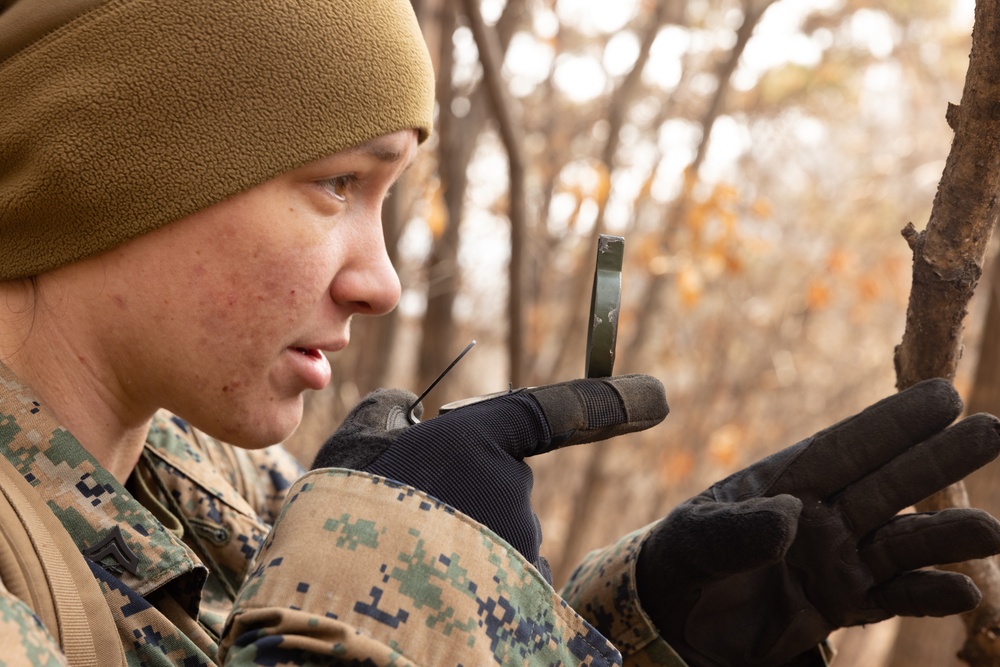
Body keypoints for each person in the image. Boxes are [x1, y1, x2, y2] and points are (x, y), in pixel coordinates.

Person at [1, 0, 999, 665]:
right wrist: (385, 566)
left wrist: (643, 629)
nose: (380, 281)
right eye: (337, 184)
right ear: (112, 174)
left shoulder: (213, 490)